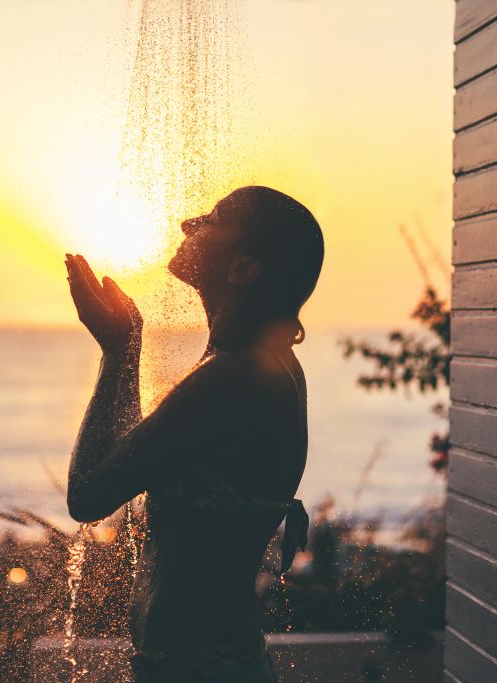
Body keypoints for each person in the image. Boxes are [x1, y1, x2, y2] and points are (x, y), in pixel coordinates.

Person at [64, 185, 324, 683]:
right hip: (219, 663)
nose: (189, 223)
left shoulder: (231, 378)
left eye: (213, 219)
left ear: (242, 269)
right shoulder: (270, 367)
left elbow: (88, 494)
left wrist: (120, 351)